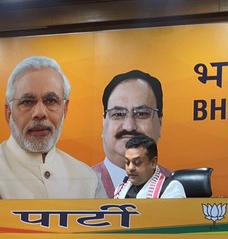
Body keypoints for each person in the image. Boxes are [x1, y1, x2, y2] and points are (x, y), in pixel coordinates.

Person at [0, 55, 105, 199]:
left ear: (65, 109)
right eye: (27, 102)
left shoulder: (88, 180)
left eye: (51, 101)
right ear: (9, 112)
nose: (40, 113)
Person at [93, 70, 171, 197]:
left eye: (141, 114)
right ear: (104, 122)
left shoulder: (171, 184)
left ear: (160, 122)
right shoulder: (82, 181)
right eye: (118, 114)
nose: (129, 126)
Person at [114, 135, 185, 199]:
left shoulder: (171, 188)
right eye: (127, 162)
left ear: (153, 162)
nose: (130, 168)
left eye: (137, 162)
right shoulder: (120, 190)